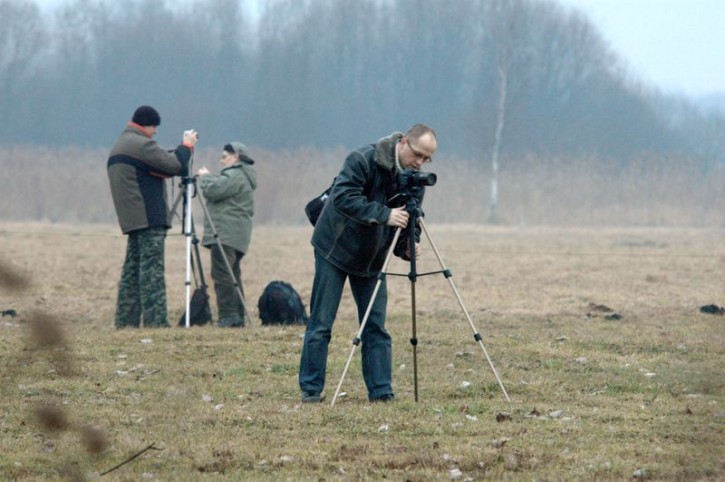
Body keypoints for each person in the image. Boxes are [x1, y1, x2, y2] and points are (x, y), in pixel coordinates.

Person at [298, 124, 438, 403]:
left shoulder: (414, 180)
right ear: (402, 142)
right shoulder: (363, 158)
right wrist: (384, 214)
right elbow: (343, 197)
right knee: (322, 322)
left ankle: (382, 391)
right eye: (418, 154)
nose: (420, 163)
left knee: (375, 326)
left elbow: (411, 218)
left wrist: (408, 246)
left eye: (427, 159)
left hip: (373, 258)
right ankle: (311, 389)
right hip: (334, 248)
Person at [107, 105, 198, 328]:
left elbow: (155, 166)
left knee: (132, 273)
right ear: (145, 125)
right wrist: (186, 146)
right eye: (154, 127)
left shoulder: (123, 143)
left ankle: (126, 322)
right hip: (149, 217)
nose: (155, 132)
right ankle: (156, 322)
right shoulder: (141, 144)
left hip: (133, 219)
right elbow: (174, 165)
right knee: (152, 273)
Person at [196, 142, 257, 328]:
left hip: (225, 234)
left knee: (223, 275)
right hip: (236, 235)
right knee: (233, 275)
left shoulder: (235, 174)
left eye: (224, 157)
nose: (221, 161)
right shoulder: (242, 176)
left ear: (236, 157)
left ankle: (229, 316)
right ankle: (237, 315)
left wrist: (205, 177)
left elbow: (215, 190)